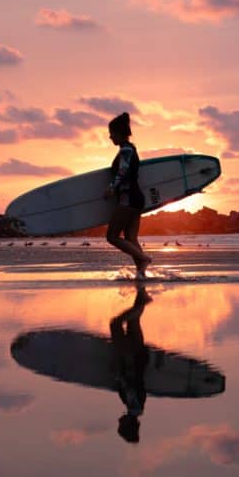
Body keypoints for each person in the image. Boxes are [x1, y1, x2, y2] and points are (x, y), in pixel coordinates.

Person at [105, 111, 152, 278]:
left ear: (119, 133)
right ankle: (141, 274)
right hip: (136, 198)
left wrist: (112, 187)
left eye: (111, 134)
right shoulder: (129, 149)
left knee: (111, 236)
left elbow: (123, 171)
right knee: (131, 238)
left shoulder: (126, 150)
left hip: (128, 198)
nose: (110, 137)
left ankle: (144, 258)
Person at [110, 287, 151, 442]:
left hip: (139, 355)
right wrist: (120, 370)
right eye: (120, 426)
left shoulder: (136, 406)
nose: (118, 421)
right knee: (115, 324)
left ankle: (142, 285)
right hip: (131, 357)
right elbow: (130, 379)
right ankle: (143, 301)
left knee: (133, 320)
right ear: (128, 424)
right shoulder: (133, 404)